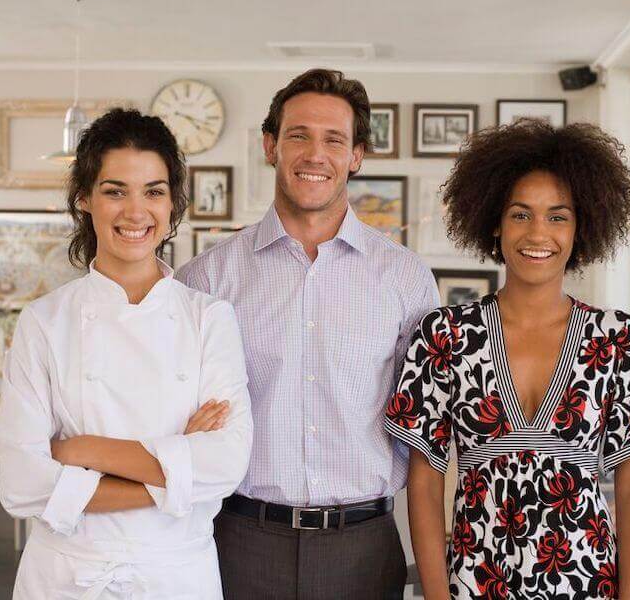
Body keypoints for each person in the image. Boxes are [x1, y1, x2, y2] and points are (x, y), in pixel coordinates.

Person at [385, 120, 630, 599]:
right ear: (495, 222)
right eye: (520, 214)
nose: (538, 233)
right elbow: (424, 483)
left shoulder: (618, 340)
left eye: (557, 217)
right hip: (475, 584)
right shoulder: (445, 336)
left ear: (582, 227)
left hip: (588, 584)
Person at [177, 68, 439, 599]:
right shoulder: (207, 279)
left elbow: (425, 435)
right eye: (298, 135)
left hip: (363, 547)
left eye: (334, 140)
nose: (315, 154)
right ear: (270, 145)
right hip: (239, 540)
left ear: (356, 155)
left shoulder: (406, 279)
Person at [0, 108, 252, 599]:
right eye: (116, 191)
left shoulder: (209, 318)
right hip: (68, 576)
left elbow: (225, 464)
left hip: (176, 576)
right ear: (84, 199)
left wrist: (82, 451)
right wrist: (176, 476)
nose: (136, 212)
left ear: (173, 203)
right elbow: (21, 484)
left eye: (153, 192)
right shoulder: (44, 322)